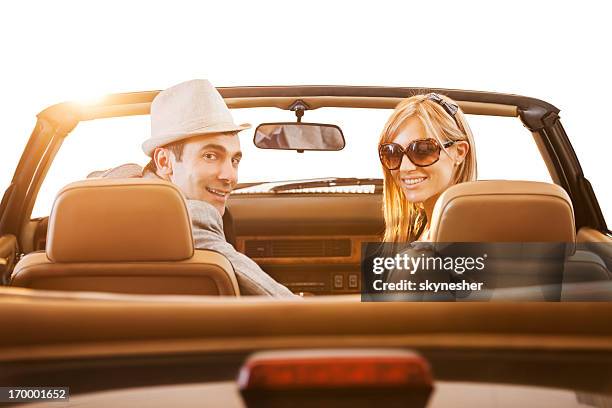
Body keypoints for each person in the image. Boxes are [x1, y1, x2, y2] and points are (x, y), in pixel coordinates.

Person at [92, 79, 297, 298]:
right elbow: (285, 307)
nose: (230, 176)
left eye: (234, 160)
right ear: (164, 162)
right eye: (210, 156)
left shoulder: (89, 209)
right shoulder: (187, 220)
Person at [377, 93, 477, 243]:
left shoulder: (465, 236)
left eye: (422, 150)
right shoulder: (426, 227)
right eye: (392, 152)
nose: (404, 167)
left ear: (460, 152)